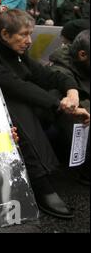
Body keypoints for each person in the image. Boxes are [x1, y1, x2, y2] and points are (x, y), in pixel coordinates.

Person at [0, 9, 90, 219]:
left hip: (23, 112)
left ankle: (76, 161)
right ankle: (40, 179)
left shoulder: (17, 54)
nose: (29, 41)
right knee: (20, 105)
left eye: (30, 34)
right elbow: (16, 87)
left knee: (53, 92)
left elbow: (48, 75)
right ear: (5, 34)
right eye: (24, 34)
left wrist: (71, 93)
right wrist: (60, 106)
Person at [49, 30, 90, 183]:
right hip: (65, 121)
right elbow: (67, 105)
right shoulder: (59, 70)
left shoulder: (85, 64)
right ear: (82, 55)